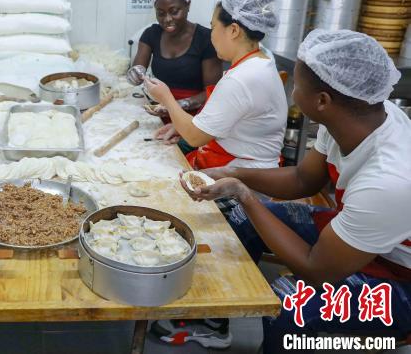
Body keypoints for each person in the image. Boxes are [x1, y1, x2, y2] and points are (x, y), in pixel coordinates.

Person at [174, 29, 411, 352]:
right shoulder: (350, 120)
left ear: (322, 101)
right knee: (241, 218)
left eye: (296, 86)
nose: (291, 91)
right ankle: (216, 320)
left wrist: (243, 192)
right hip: (361, 240)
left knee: (290, 303)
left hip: (400, 276)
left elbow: (316, 268)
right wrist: (234, 173)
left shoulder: (389, 179)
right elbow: (303, 179)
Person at [144, 0, 287, 170]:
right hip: (247, 163)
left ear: (233, 30)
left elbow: (195, 137)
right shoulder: (262, 58)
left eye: (213, 28)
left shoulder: (241, 79)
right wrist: (182, 126)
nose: (211, 35)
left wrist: (166, 98)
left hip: (242, 176)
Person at [127, 0, 222, 124]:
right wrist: (135, 74)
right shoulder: (151, 34)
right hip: (159, 111)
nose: (167, 19)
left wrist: (177, 105)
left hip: (195, 116)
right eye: (160, 13)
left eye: (174, 11)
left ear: (188, 5)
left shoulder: (205, 39)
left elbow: (212, 92)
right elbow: (138, 68)